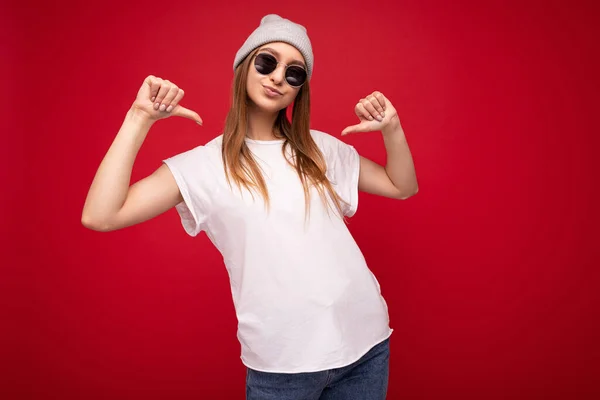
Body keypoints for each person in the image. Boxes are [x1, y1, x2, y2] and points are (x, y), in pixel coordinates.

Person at [82, 13, 418, 400]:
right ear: (244, 66)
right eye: (267, 62)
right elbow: (100, 215)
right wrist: (139, 118)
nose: (278, 77)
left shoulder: (319, 148)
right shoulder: (204, 166)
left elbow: (401, 186)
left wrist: (392, 129)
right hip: (282, 365)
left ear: (299, 90)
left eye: (294, 73)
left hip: (366, 344)